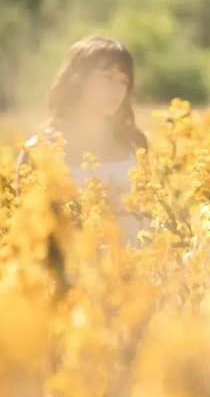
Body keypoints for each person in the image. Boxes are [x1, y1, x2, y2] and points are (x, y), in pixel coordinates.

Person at [15, 35, 149, 246]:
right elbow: (28, 234)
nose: (117, 89)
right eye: (107, 77)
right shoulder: (39, 150)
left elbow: (149, 217)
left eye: (124, 81)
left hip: (135, 264)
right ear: (77, 79)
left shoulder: (133, 145)